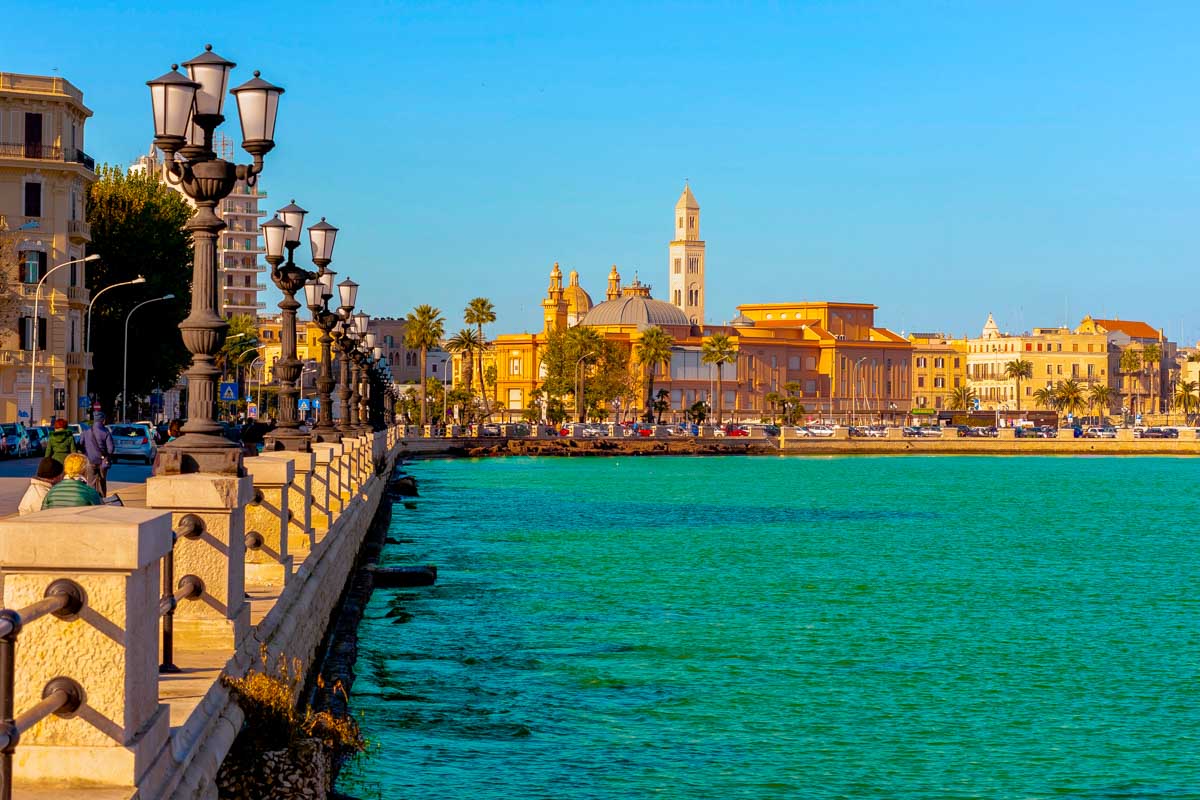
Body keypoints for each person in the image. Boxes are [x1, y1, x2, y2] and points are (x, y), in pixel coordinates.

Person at [81, 411, 114, 497]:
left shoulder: (86, 431)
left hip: (90, 460)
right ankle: (102, 498)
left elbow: (80, 444)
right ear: (103, 420)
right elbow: (111, 449)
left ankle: (92, 499)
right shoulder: (106, 432)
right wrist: (106, 454)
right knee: (102, 481)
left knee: (90, 482)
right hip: (102, 462)